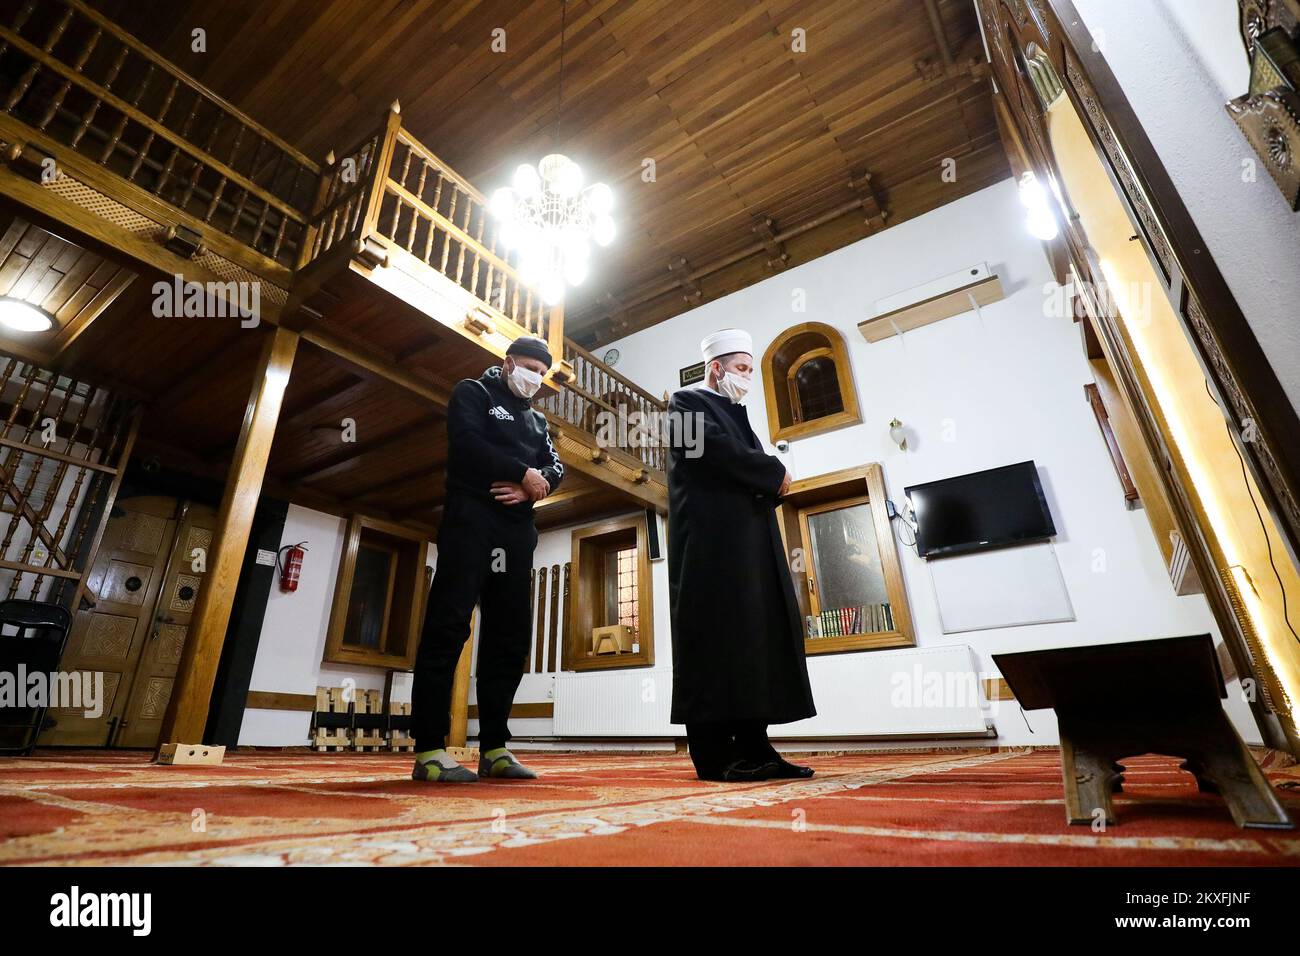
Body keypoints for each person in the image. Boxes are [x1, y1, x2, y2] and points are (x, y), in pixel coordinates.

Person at [409, 335, 563, 783]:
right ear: (509, 362)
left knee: (509, 635)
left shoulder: (537, 421)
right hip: (471, 518)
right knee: (448, 624)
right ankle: (430, 750)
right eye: (529, 366)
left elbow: (556, 467)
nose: (534, 377)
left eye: (541, 371)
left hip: (515, 530)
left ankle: (495, 746)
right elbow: (467, 445)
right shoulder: (472, 392)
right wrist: (521, 472)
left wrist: (533, 484)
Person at [666, 328, 817, 781]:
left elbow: (740, 463)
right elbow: (707, 451)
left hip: (748, 546)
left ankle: (757, 746)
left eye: (751, 370)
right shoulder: (683, 403)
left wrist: (767, 477)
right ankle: (715, 756)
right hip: (709, 547)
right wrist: (773, 469)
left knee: (754, 640)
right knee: (715, 640)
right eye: (743, 369)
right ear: (717, 368)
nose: (747, 377)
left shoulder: (737, 413)